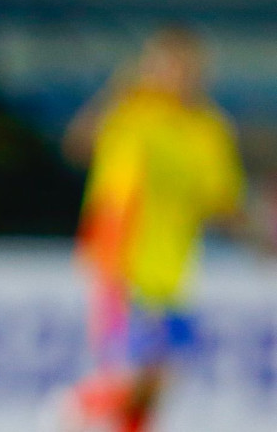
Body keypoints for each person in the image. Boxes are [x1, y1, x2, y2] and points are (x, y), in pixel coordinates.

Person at [56, 25, 246, 432]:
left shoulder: (209, 130)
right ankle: (72, 412)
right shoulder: (131, 113)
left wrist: (258, 235)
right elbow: (77, 146)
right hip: (120, 263)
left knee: (161, 381)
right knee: (133, 373)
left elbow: (223, 202)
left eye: (187, 66)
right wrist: (117, 90)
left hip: (174, 271)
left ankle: (94, 414)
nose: (178, 75)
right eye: (168, 65)